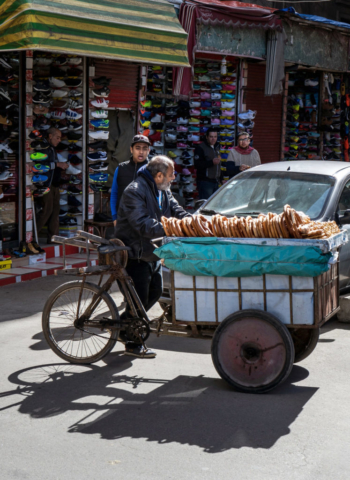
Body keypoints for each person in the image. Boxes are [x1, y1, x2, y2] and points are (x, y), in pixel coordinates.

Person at [115, 155, 190, 358]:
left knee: (155, 292)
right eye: (171, 174)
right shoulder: (135, 191)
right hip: (134, 253)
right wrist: (174, 229)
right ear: (158, 175)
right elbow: (142, 224)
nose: (173, 178)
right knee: (137, 299)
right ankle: (132, 342)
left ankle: (122, 325)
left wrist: (191, 223)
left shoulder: (163, 191)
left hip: (152, 252)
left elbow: (177, 210)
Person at [110, 134, 151, 228]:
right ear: (131, 149)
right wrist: (115, 217)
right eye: (138, 148)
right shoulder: (121, 168)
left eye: (145, 148)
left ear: (148, 151)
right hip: (123, 220)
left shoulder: (152, 170)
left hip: (145, 221)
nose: (141, 152)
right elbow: (114, 194)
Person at [36, 128, 68, 243]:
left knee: (55, 212)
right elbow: (39, 165)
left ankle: (53, 239)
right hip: (46, 185)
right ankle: (31, 237)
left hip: (54, 185)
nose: (59, 140)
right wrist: (58, 164)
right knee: (46, 211)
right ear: (50, 136)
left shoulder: (52, 148)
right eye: (57, 137)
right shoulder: (43, 147)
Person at [194, 128, 221, 200]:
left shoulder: (217, 147)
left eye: (215, 137)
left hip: (215, 181)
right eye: (211, 137)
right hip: (205, 182)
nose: (213, 139)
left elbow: (218, 166)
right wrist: (211, 162)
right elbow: (197, 164)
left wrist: (221, 178)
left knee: (214, 204)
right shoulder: (200, 148)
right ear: (207, 137)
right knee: (205, 204)